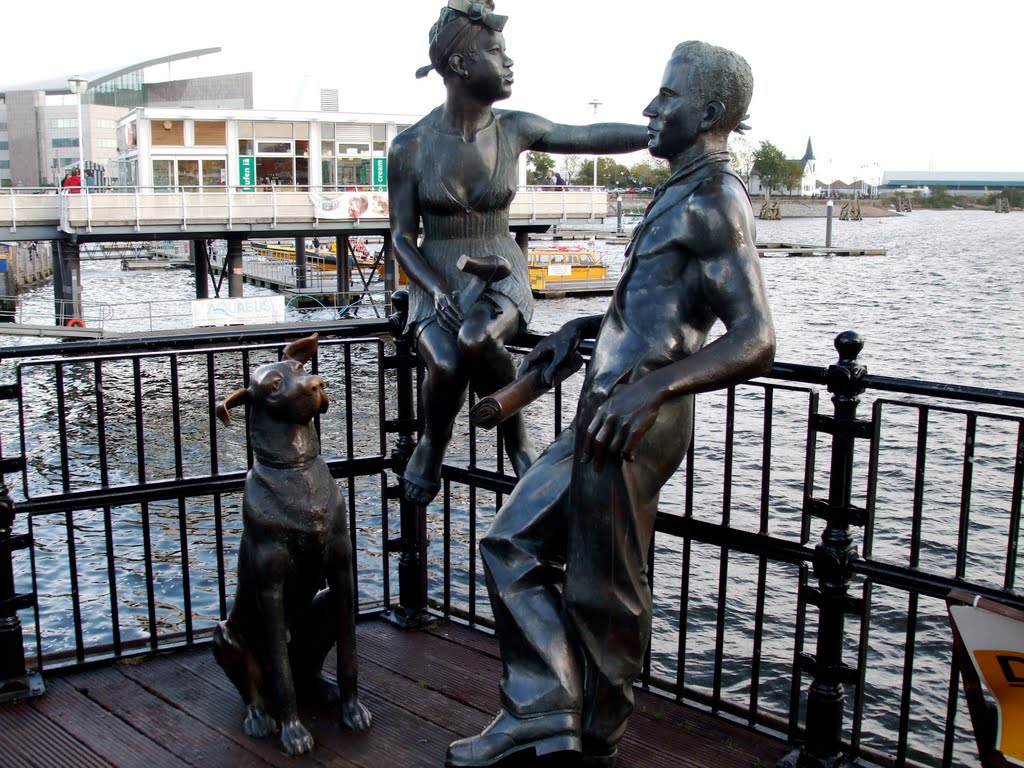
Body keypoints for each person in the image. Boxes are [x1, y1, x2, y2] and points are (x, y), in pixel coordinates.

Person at [445, 40, 775, 768]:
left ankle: (596, 743)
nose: (651, 110)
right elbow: (661, 311)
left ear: (711, 113)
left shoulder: (716, 198)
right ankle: (543, 710)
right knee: (508, 543)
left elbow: (756, 339)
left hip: (636, 418)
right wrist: (583, 329)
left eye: (668, 97)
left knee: (606, 593)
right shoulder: (680, 189)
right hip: (605, 406)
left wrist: (654, 386)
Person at [388, 0, 648, 505]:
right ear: (460, 65)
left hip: (500, 270)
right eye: (496, 52)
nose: (509, 63)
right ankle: (430, 446)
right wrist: (436, 289)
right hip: (436, 275)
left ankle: (518, 440)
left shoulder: (513, 129)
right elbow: (400, 236)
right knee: (443, 361)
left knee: (476, 334)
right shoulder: (410, 146)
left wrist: (659, 135)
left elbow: (584, 137)